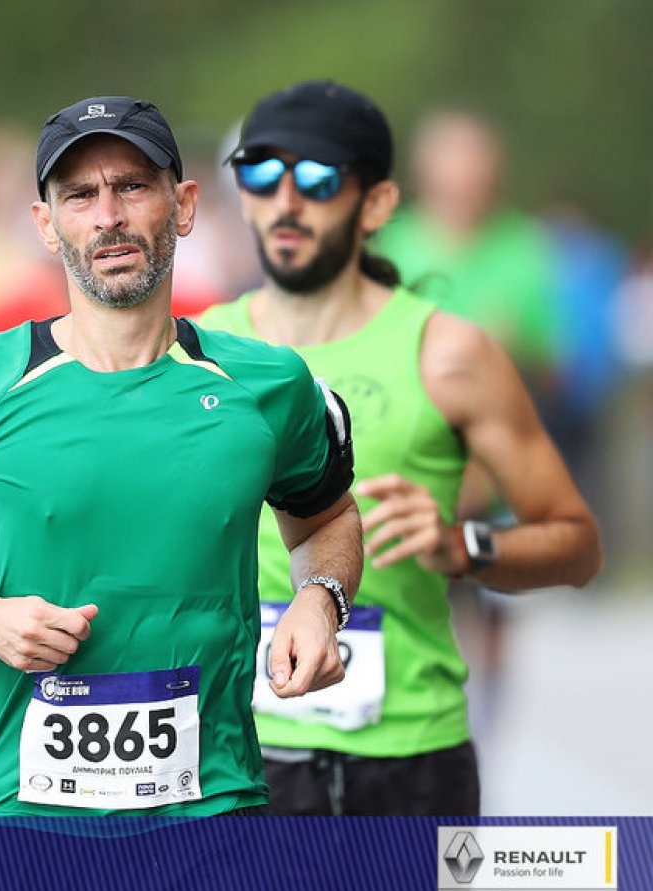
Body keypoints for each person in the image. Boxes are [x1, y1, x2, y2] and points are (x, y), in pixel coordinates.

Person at [0, 95, 362, 819]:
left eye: (133, 186)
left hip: (214, 814)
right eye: (80, 195)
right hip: (26, 824)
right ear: (45, 224)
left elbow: (327, 519)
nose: (108, 216)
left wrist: (321, 599)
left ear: (184, 206)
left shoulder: (267, 384)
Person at [202, 80, 603, 815]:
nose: (285, 202)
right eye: (260, 173)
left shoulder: (449, 354)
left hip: (410, 760)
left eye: (317, 178)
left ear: (377, 204)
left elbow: (577, 545)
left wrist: (463, 546)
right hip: (237, 754)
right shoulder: (199, 350)